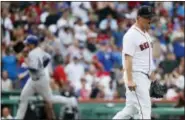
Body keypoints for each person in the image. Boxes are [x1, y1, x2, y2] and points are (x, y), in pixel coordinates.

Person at [15, 35, 78, 120]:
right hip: (32, 80)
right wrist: (40, 65)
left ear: (33, 45)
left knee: (50, 99)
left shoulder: (33, 53)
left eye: (28, 44)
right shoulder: (38, 50)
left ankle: (70, 101)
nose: (26, 46)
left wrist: (25, 63)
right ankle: (18, 118)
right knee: (23, 97)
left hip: (41, 81)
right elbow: (48, 57)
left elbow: (34, 68)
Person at [113, 5, 155, 119]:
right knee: (144, 109)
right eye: (147, 17)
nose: (150, 20)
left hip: (143, 76)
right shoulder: (131, 35)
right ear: (139, 18)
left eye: (151, 17)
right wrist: (130, 79)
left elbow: (147, 58)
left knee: (130, 109)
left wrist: (151, 78)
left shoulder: (146, 34)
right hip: (136, 75)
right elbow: (128, 58)